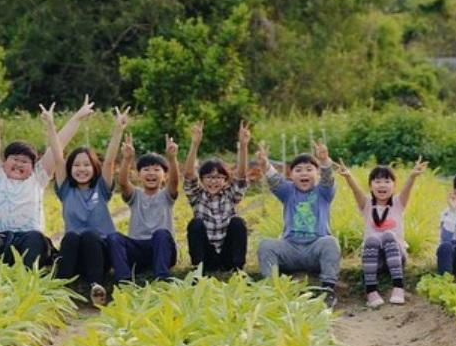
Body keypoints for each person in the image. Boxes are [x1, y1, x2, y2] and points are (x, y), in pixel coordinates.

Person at [0, 72, 93, 268]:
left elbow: (58, 145)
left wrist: (77, 118)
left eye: (25, 162)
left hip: (28, 239)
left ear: (32, 167)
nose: (19, 164)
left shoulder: (37, 178)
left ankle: (27, 277)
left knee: (37, 240)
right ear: (3, 162)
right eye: (15, 159)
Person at [48, 106, 129, 306]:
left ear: (94, 168)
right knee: (71, 237)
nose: (81, 169)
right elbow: (58, 158)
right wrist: (50, 125)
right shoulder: (66, 189)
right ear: (70, 169)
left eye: (86, 165)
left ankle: (96, 286)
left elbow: (109, 161)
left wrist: (118, 130)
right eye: (76, 165)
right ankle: (61, 288)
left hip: (100, 253)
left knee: (89, 235)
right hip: (75, 254)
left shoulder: (101, 188)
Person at [256, 140, 341, 308]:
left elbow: (328, 178)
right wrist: (265, 163)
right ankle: (273, 291)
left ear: (317, 174)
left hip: (315, 249)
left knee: (330, 243)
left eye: (309, 170)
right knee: (266, 245)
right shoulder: (287, 191)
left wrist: (324, 161)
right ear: (291, 175)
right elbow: (273, 179)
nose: (304, 173)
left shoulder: (323, 192)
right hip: (290, 249)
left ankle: (327, 289)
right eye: (298, 170)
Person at [337, 158, 426, 307]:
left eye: (387, 181)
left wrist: (412, 176)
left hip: (396, 254)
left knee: (388, 235)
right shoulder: (367, 205)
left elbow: (407, 189)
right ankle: (371, 291)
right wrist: (348, 177)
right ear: (371, 186)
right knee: (371, 239)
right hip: (374, 258)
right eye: (377, 181)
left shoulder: (398, 203)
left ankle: (398, 287)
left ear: (394, 186)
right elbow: (356, 191)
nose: (382, 185)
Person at [108, 135, 180, 282]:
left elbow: (174, 182)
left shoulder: (166, 195)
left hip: (162, 249)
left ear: (164, 176)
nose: (151, 173)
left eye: (156, 169)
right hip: (138, 249)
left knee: (161, 234)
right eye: (146, 169)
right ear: (139, 175)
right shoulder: (136, 195)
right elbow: (122, 183)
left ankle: (162, 277)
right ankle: (124, 279)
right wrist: (127, 159)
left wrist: (172, 158)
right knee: (114, 237)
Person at [184, 120, 251, 274]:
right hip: (207, 255)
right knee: (195, 224)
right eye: (209, 177)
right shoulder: (197, 195)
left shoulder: (230, 195)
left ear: (225, 180)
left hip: (227, 253)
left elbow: (241, 176)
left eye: (218, 177)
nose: (213, 181)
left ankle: (237, 269)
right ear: (201, 179)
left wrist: (243, 146)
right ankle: (198, 269)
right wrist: (195, 144)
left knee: (238, 222)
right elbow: (188, 175)